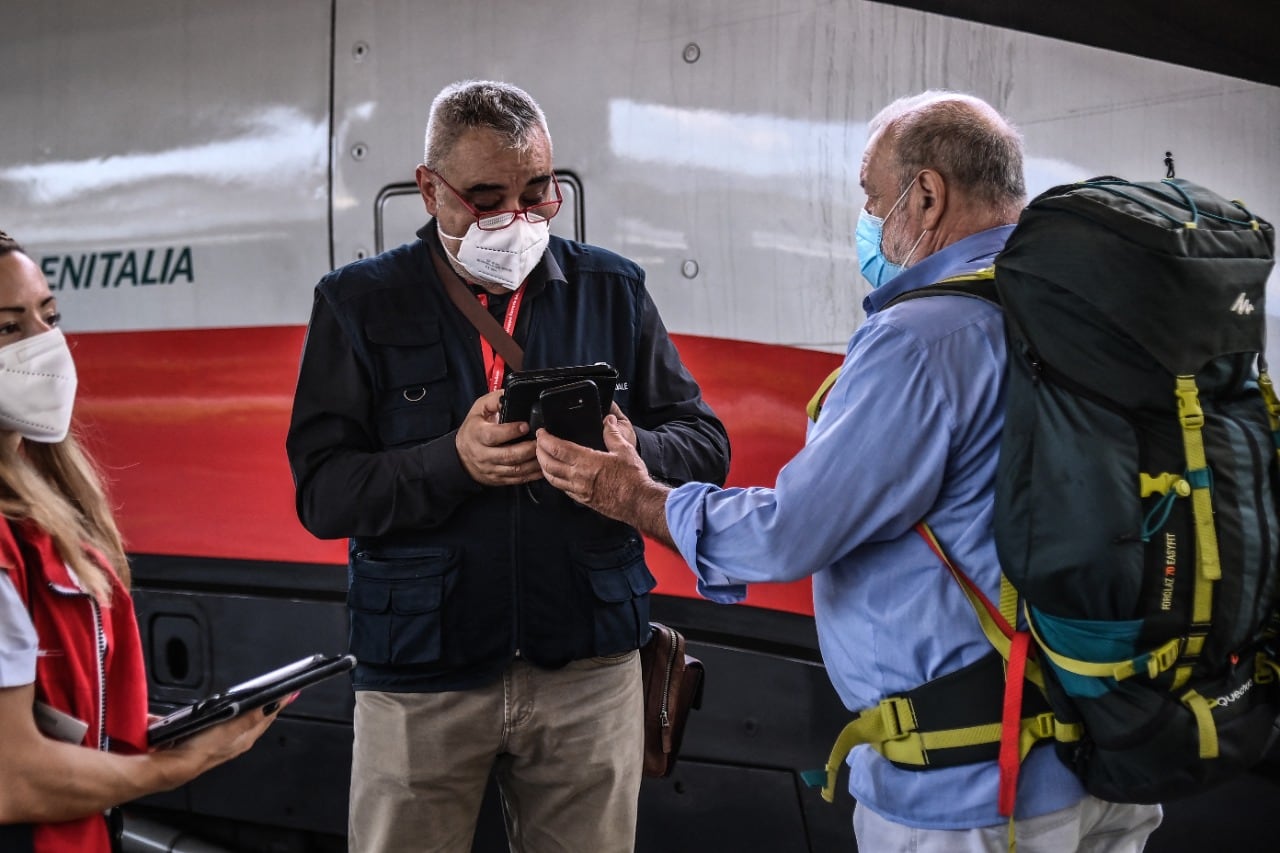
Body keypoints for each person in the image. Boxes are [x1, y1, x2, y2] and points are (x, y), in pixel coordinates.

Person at [535, 92, 1166, 852]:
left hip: (974, 796)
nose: (867, 220)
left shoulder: (923, 340)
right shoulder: (1084, 312)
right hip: (1106, 753)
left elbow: (787, 535)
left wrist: (633, 495)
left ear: (927, 194)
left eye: (873, 196)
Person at [285, 80, 729, 853]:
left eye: (538, 193)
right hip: (423, 674)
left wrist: (633, 453)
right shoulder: (359, 303)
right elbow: (323, 493)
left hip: (588, 668)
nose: (516, 219)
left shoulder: (612, 289)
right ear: (430, 190)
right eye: (487, 198)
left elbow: (704, 441)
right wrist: (450, 461)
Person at [0, 231, 286, 853]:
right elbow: (12, 780)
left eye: (50, 318)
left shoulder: (48, 506)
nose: (45, 346)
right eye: (8, 328)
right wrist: (172, 768)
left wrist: (146, 731)